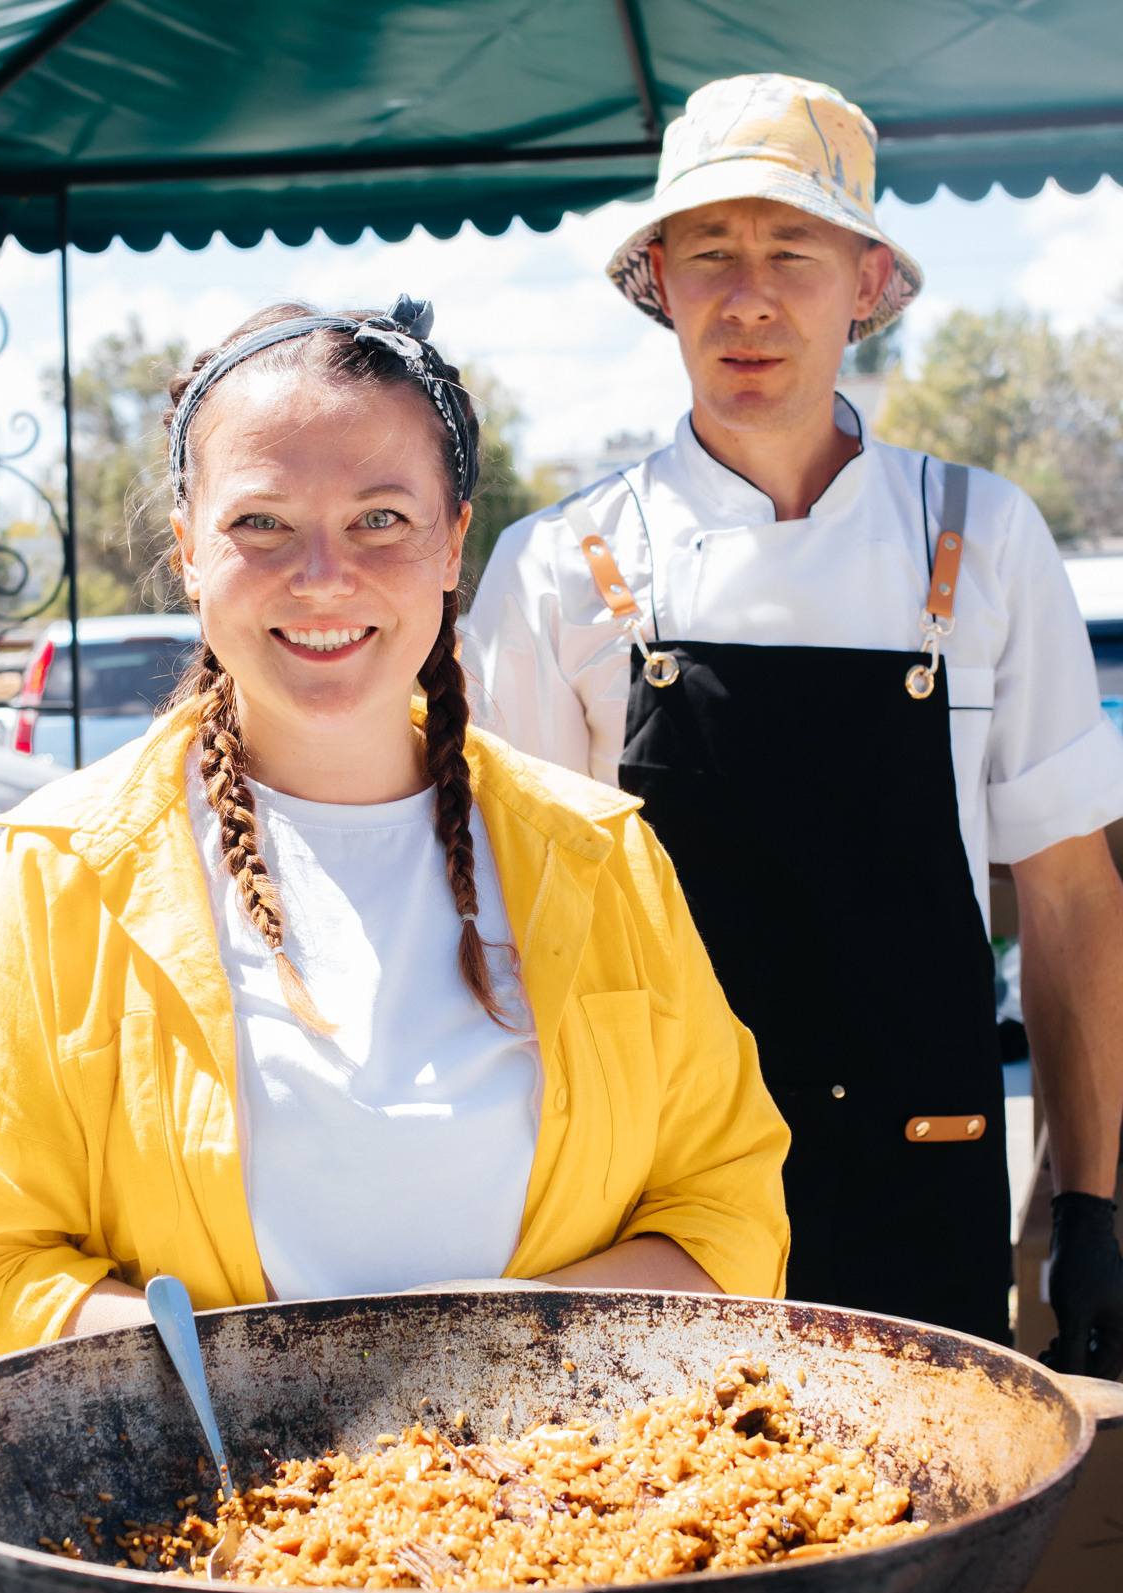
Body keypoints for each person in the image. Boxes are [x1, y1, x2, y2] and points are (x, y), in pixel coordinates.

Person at [0, 295, 789, 1383]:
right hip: (204, 1494)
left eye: (381, 519)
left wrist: (485, 1365)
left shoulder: (600, 856)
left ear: (453, 543)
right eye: (262, 523)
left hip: (557, 1486)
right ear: (187, 550)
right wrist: (282, 1395)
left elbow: (724, 1213)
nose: (322, 575)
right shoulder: (59, 872)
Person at [464, 74, 1123, 1375]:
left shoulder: (981, 537)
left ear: (865, 283)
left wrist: (1092, 1212)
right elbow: (500, 924)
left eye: (792, 253)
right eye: (710, 253)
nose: (749, 297)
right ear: (659, 281)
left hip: (923, 1189)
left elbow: (1069, 895)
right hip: (654, 1218)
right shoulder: (555, 564)